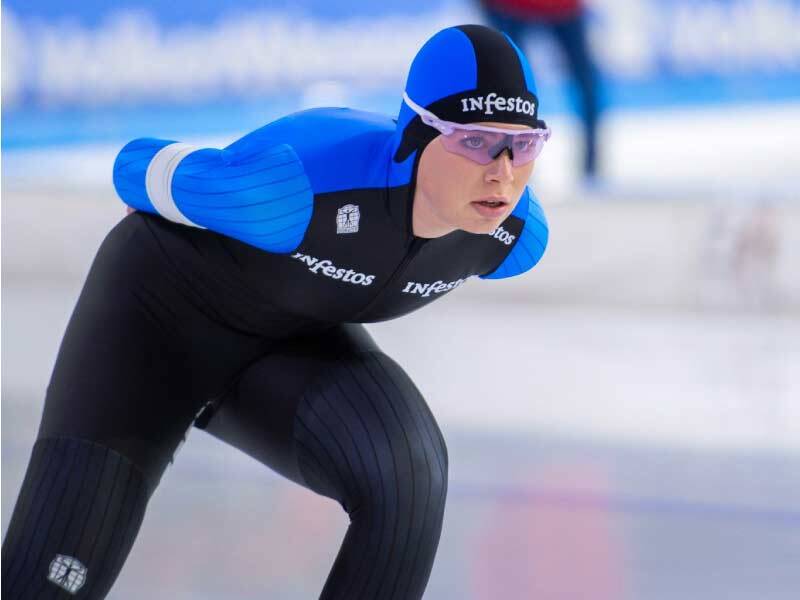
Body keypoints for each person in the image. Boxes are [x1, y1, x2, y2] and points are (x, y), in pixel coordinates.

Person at [2, 24, 550, 599]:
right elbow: (132, 166)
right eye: (475, 141)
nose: (503, 171)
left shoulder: (513, 237)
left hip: (285, 345)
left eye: (526, 144)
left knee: (408, 475)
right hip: (153, 331)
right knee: (49, 586)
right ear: (416, 134)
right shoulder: (295, 195)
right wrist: (220, 182)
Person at [479, 0, 600, 178]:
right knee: (508, 82)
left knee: (585, 83)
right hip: (512, 7)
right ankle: (509, 159)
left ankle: (591, 166)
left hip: (559, 7)